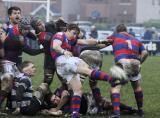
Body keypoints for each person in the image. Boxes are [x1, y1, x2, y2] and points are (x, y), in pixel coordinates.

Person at [51, 23, 127, 118]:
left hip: (64, 68)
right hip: (63, 60)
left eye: (76, 34)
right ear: (68, 29)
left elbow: (86, 42)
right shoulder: (60, 35)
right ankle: (112, 79)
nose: (74, 36)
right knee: (85, 67)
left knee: (78, 90)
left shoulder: (72, 40)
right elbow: (55, 46)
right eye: (74, 33)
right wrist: (64, 51)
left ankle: (75, 114)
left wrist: (100, 41)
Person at [104, 24, 148, 117]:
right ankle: (140, 111)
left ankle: (116, 113)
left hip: (122, 62)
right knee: (136, 86)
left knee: (115, 87)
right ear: (126, 30)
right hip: (135, 62)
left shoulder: (115, 36)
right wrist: (140, 62)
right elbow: (145, 53)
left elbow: (102, 43)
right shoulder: (135, 39)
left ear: (117, 30)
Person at [30, 17, 68, 85]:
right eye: (38, 25)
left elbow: (62, 27)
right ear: (36, 28)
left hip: (60, 57)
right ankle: (39, 95)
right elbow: (50, 40)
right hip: (49, 59)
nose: (42, 25)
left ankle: (61, 94)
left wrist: (61, 23)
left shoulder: (49, 25)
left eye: (41, 22)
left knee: (66, 82)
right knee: (47, 82)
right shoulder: (39, 35)